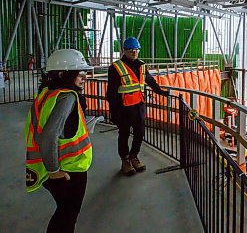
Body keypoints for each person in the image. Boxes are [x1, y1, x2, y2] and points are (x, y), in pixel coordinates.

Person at [25, 49, 93, 233]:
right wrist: (54, 171)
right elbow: (48, 136)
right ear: (63, 74)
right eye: (79, 73)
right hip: (68, 170)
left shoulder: (46, 93)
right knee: (67, 216)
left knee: (64, 212)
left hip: (47, 166)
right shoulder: (67, 96)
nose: (84, 77)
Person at [106, 37, 169, 176]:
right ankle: (125, 160)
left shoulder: (141, 65)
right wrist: (114, 113)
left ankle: (134, 156)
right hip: (123, 109)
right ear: (124, 51)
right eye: (131, 50)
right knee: (124, 134)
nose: (134, 52)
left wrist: (161, 92)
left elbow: (150, 80)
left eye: (136, 49)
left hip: (138, 106)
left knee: (140, 133)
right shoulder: (115, 67)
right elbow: (111, 92)